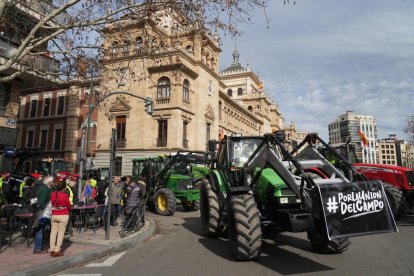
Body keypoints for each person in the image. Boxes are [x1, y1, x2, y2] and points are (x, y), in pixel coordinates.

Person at [49, 181, 71, 257]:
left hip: (54, 214)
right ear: (64, 187)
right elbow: (68, 205)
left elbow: (51, 203)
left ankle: (51, 249)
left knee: (53, 232)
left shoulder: (53, 194)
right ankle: (57, 250)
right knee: (61, 233)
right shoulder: (65, 195)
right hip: (63, 214)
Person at [33, 175, 53, 254]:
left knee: (41, 229)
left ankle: (39, 246)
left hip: (43, 210)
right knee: (40, 229)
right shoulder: (45, 189)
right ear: (49, 182)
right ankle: (37, 248)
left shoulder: (43, 188)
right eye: (52, 181)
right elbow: (42, 201)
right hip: (43, 211)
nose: (53, 183)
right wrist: (45, 209)